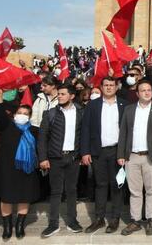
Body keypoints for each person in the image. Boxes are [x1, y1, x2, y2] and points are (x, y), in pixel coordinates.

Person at [117, 80, 152, 236]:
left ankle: (151, 219)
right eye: (143, 90)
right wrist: (121, 155)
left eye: (149, 90)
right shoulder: (129, 110)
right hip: (131, 157)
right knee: (135, 191)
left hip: (151, 158)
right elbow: (123, 133)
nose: (147, 93)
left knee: (151, 190)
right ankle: (135, 221)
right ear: (137, 93)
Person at [80, 77, 127, 234]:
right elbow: (85, 128)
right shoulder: (93, 105)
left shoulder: (123, 104)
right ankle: (99, 219)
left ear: (116, 87)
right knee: (100, 185)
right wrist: (85, 151)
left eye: (111, 85)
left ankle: (115, 218)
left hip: (117, 152)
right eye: (105, 85)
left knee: (117, 185)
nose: (108, 88)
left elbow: (128, 130)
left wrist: (125, 152)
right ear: (101, 87)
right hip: (98, 151)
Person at [0, 88, 40, 240]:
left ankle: (20, 226)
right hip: (7, 168)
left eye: (26, 114)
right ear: (14, 115)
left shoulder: (34, 131)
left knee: (23, 196)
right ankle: (7, 227)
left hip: (26, 169)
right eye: (20, 113)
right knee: (6, 197)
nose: (22, 115)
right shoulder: (7, 126)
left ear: (30, 117)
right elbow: (0, 116)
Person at [38, 83, 84, 237]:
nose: (60, 96)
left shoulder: (80, 112)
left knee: (72, 190)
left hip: (73, 158)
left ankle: (72, 221)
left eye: (63, 94)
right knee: (56, 191)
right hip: (55, 158)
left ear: (71, 96)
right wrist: (43, 158)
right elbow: (42, 138)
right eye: (59, 94)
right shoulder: (50, 113)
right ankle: (53, 224)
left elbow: (83, 135)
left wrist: (83, 154)